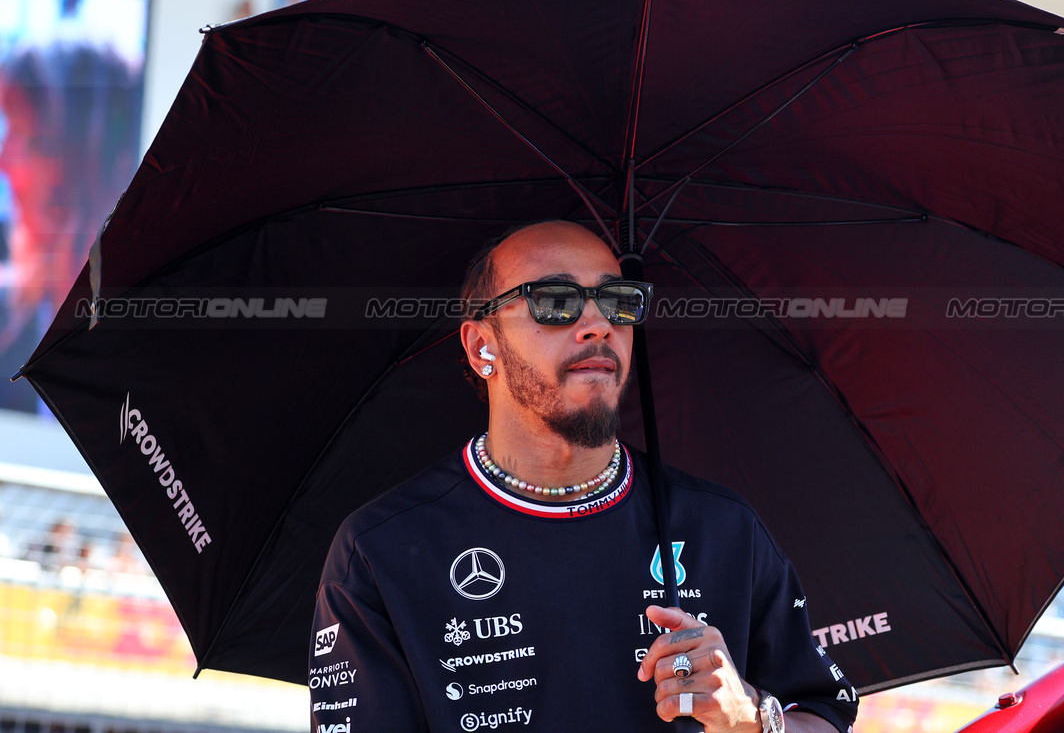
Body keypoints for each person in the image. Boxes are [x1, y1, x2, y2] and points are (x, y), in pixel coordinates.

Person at [309, 220, 858, 733]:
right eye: (555, 301)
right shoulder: (381, 549)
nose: (598, 325)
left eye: (618, 302)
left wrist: (752, 719)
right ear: (482, 346)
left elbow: (825, 712)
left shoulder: (723, 527)